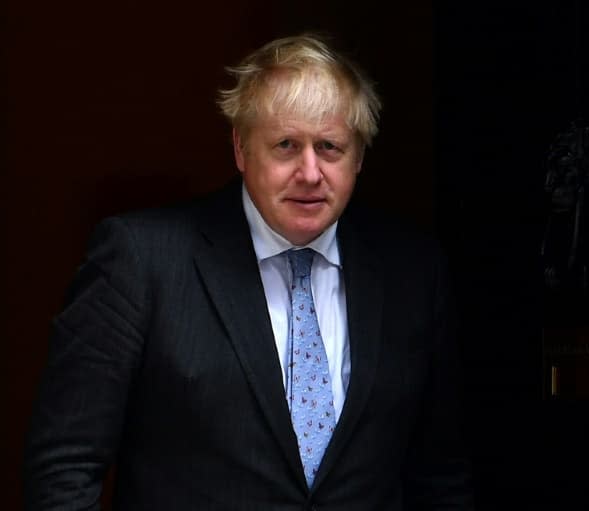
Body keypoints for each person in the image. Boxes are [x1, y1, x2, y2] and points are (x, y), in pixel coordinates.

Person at [23, 33, 475, 510]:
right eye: (285, 145)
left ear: (359, 156)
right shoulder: (142, 260)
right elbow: (64, 467)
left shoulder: (413, 270)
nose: (309, 172)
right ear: (241, 149)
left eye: (330, 147)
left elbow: (440, 475)